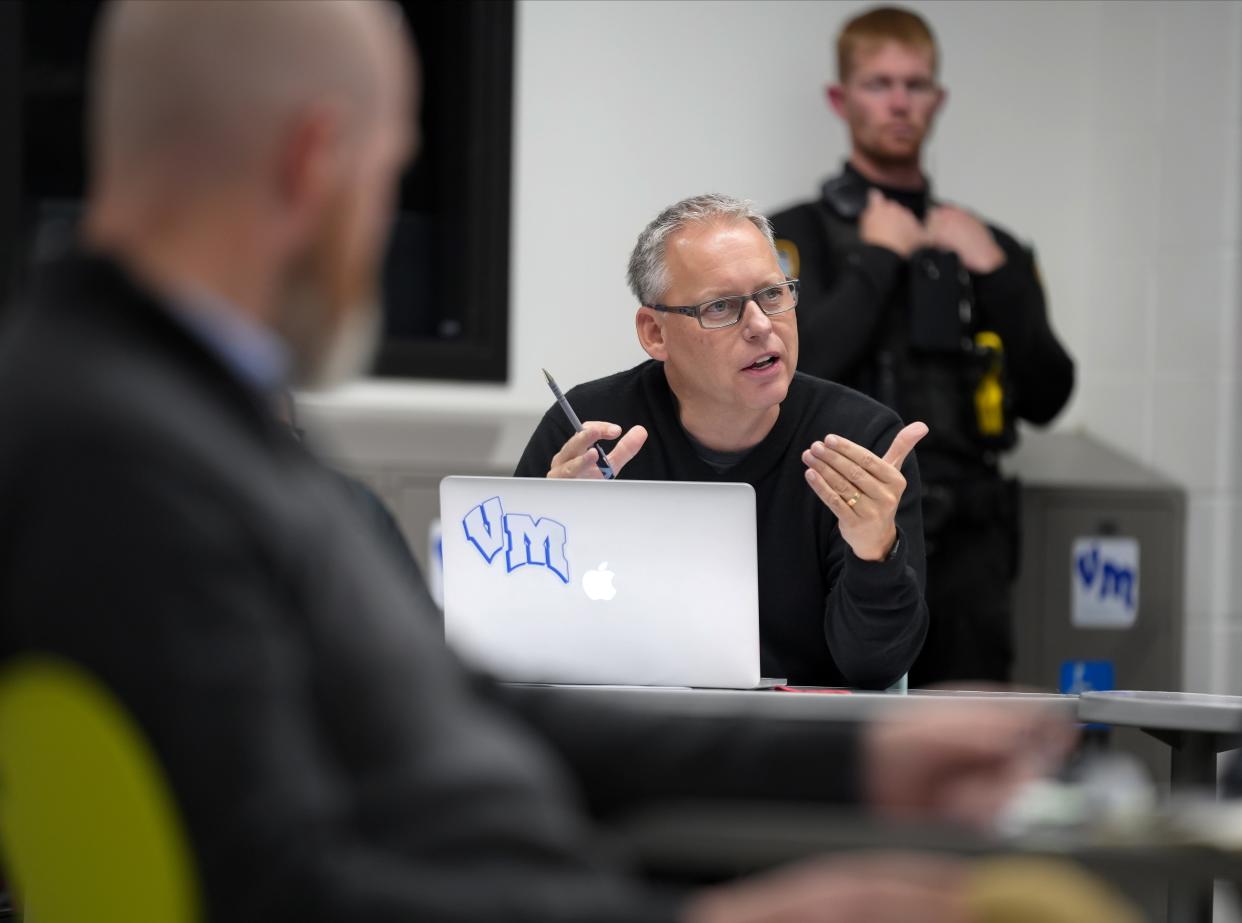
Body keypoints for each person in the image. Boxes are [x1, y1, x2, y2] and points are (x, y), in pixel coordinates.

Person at [0, 2, 1072, 921]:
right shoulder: (116, 460)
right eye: (389, 175)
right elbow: (272, 881)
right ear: (311, 162)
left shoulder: (183, 408)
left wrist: (852, 759)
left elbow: (458, 706)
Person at [768, 6, 1075, 685]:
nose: (900, 102)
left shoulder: (986, 244)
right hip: (838, 531)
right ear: (840, 98)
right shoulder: (789, 240)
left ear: (937, 100)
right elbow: (785, 375)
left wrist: (995, 273)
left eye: (916, 84)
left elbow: (1050, 394)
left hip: (970, 549)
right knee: (847, 748)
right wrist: (877, 260)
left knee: (965, 752)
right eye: (879, 84)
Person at [516, 194, 928, 689]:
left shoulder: (862, 441)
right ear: (655, 333)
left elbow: (875, 668)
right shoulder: (587, 433)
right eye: (721, 307)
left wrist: (873, 551)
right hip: (630, 736)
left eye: (773, 295)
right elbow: (516, 648)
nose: (759, 326)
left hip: (799, 741)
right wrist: (547, 535)